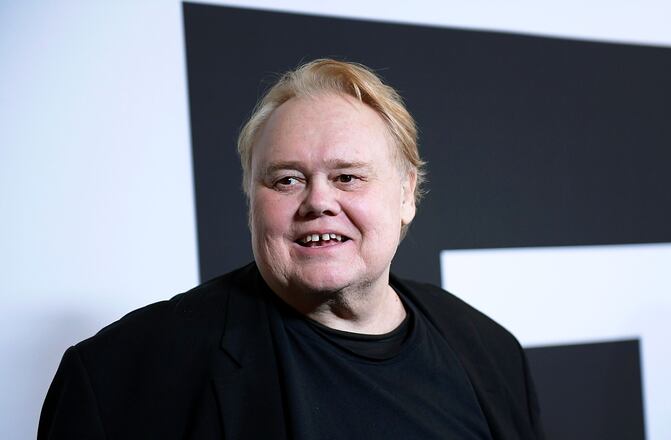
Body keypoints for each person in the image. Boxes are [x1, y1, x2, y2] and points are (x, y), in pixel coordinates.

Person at [39, 59, 545, 439]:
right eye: (286, 180)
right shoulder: (118, 377)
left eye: (347, 176)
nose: (318, 201)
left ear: (406, 194)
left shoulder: (492, 352)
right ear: (251, 200)